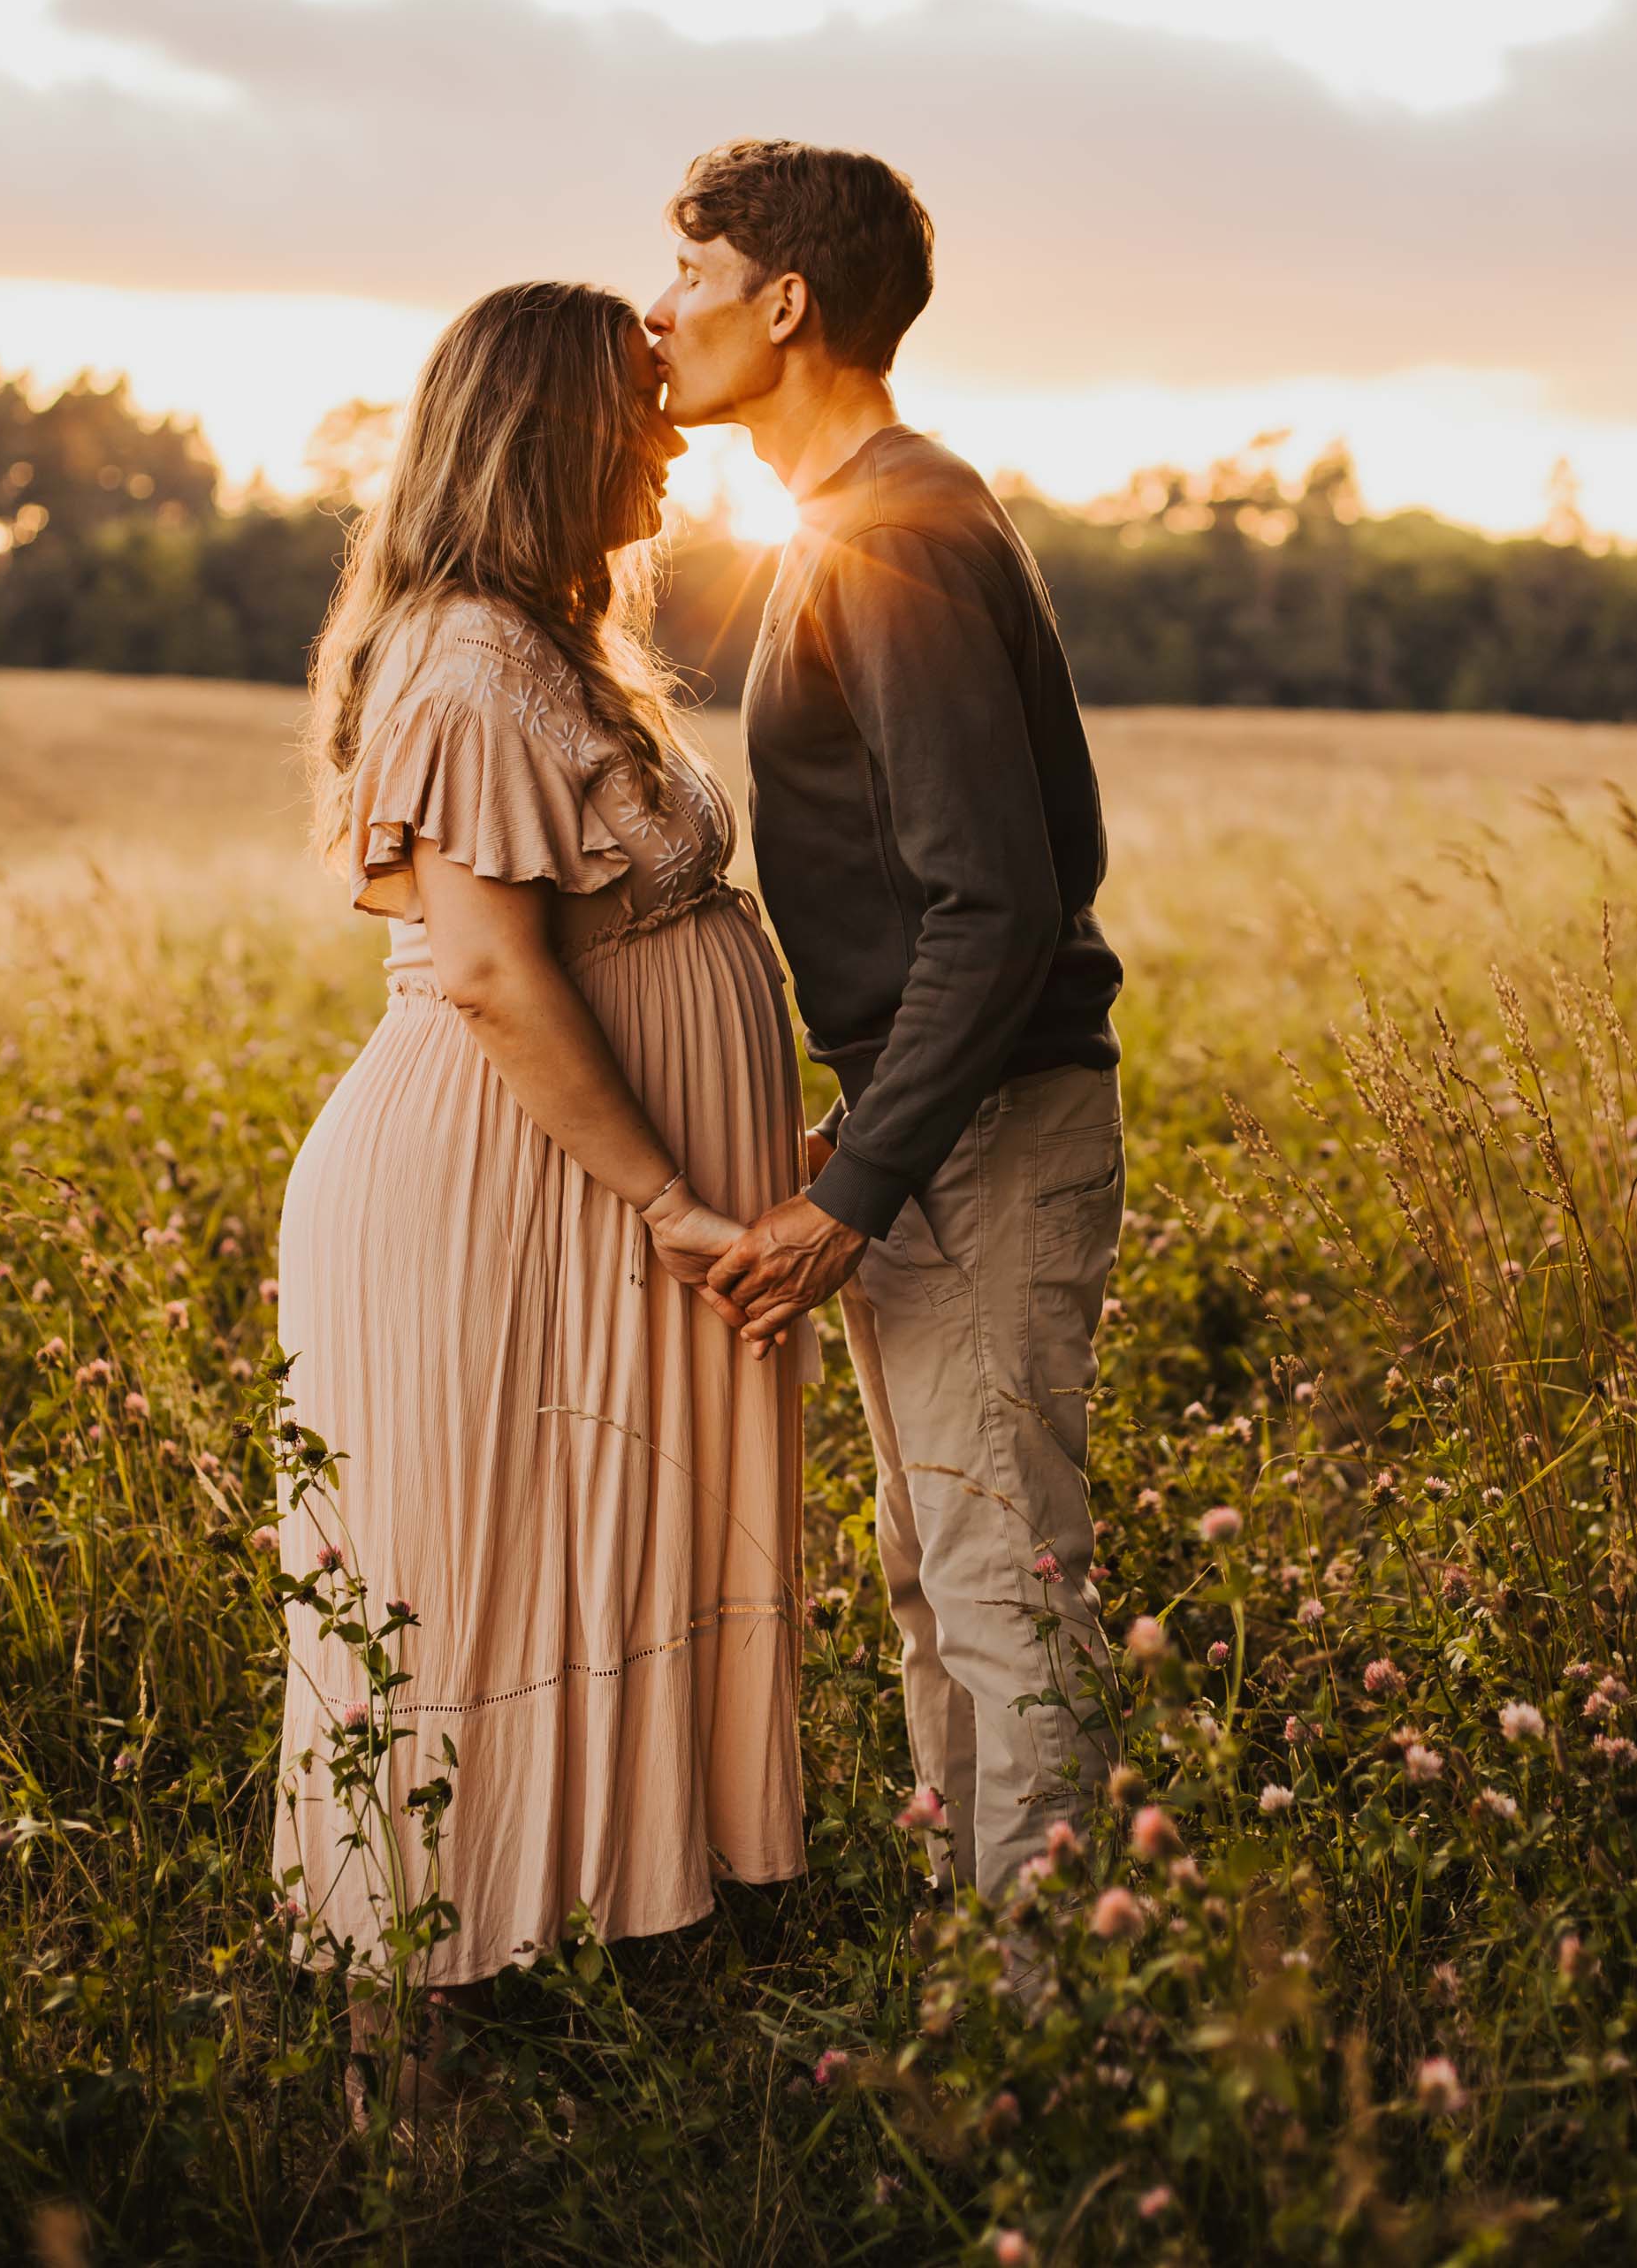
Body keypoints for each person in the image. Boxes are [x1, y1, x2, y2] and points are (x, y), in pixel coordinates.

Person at [272, 281, 810, 2097]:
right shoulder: (465, 664)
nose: (671, 439)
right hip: (495, 1200)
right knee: (455, 1594)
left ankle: (589, 2016)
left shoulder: (545, 648)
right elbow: (495, 977)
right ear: (550, 432)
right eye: (640, 412)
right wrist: (669, 1199)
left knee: (593, 1560)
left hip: (576, 1195)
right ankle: (405, 2089)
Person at [646, 145, 1125, 1904]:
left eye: (684, 272)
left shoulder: (893, 531)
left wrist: (854, 1184)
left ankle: (1050, 2026)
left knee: (998, 1580)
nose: (660, 310)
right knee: (940, 1572)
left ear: (783, 305)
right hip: (928, 1123)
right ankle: (982, 1976)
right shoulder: (853, 517)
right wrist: (862, 1139)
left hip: (983, 1132)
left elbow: (998, 899)